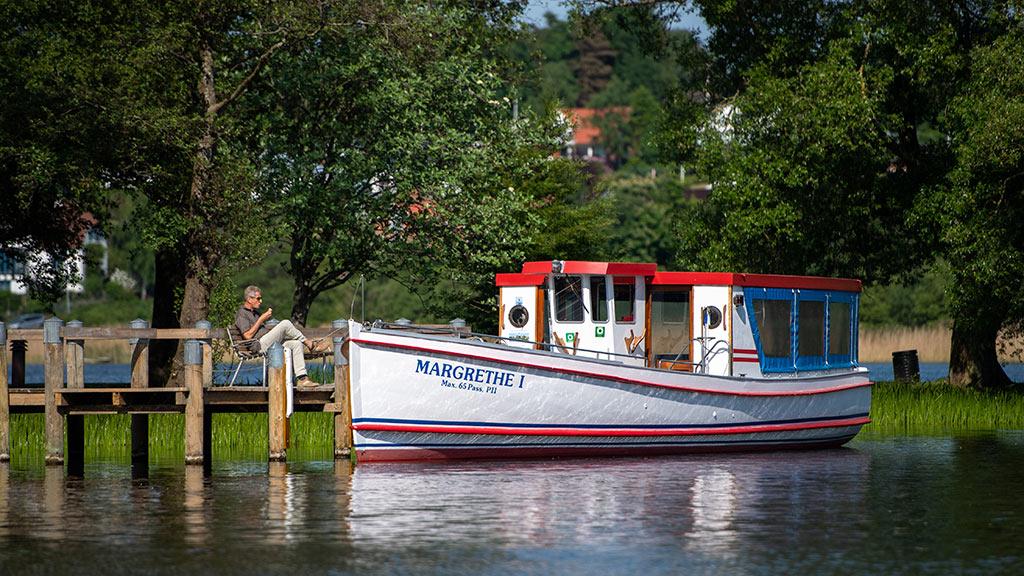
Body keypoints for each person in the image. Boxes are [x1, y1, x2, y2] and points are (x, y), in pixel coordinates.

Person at [235, 285, 329, 387]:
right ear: (249, 299)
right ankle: (311, 345)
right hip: (259, 345)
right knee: (285, 323)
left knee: (296, 344)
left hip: (267, 342)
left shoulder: (255, 313)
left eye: (261, 298)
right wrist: (261, 319)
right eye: (258, 298)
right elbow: (247, 336)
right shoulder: (242, 314)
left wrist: (260, 319)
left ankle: (302, 379)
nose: (261, 301)